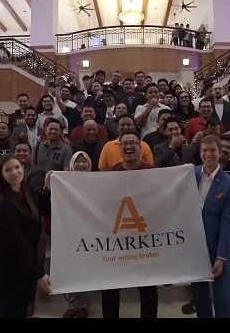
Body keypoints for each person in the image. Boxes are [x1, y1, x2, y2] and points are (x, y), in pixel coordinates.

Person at [102, 128, 158, 318]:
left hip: (145, 239)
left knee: (148, 289)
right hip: (117, 239)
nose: (128, 147)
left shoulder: (154, 173)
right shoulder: (110, 174)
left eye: (132, 143)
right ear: (120, 149)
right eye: (124, 143)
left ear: (141, 147)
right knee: (110, 287)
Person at [0, 154, 51, 318]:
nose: (14, 172)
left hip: (23, 266)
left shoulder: (27, 193)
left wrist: (47, 188)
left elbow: (42, 209)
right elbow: (17, 242)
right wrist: (39, 273)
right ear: (1, 175)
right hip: (7, 270)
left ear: (23, 168)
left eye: (17, 167)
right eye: (8, 170)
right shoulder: (4, 203)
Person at [191, 135, 230, 318]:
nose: (208, 154)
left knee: (223, 298)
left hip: (218, 248)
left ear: (220, 153)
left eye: (212, 150)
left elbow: (228, 222)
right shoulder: (190, 174)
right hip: (195, 249)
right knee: (199, 296)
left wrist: (221, 257)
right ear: (199, 153)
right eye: (204, 150)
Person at [45, 151, 94, 318]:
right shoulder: (64, 182)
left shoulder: (97, 182)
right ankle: (73, 304)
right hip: (68, 232)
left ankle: (85, 305)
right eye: (77, 161)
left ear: (89, 164)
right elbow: (51, 196)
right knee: (71, 268)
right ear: (72, 164)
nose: (81, 165)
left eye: (84, 161)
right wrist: (51, 181)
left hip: (89, 233)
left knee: (86, 270)